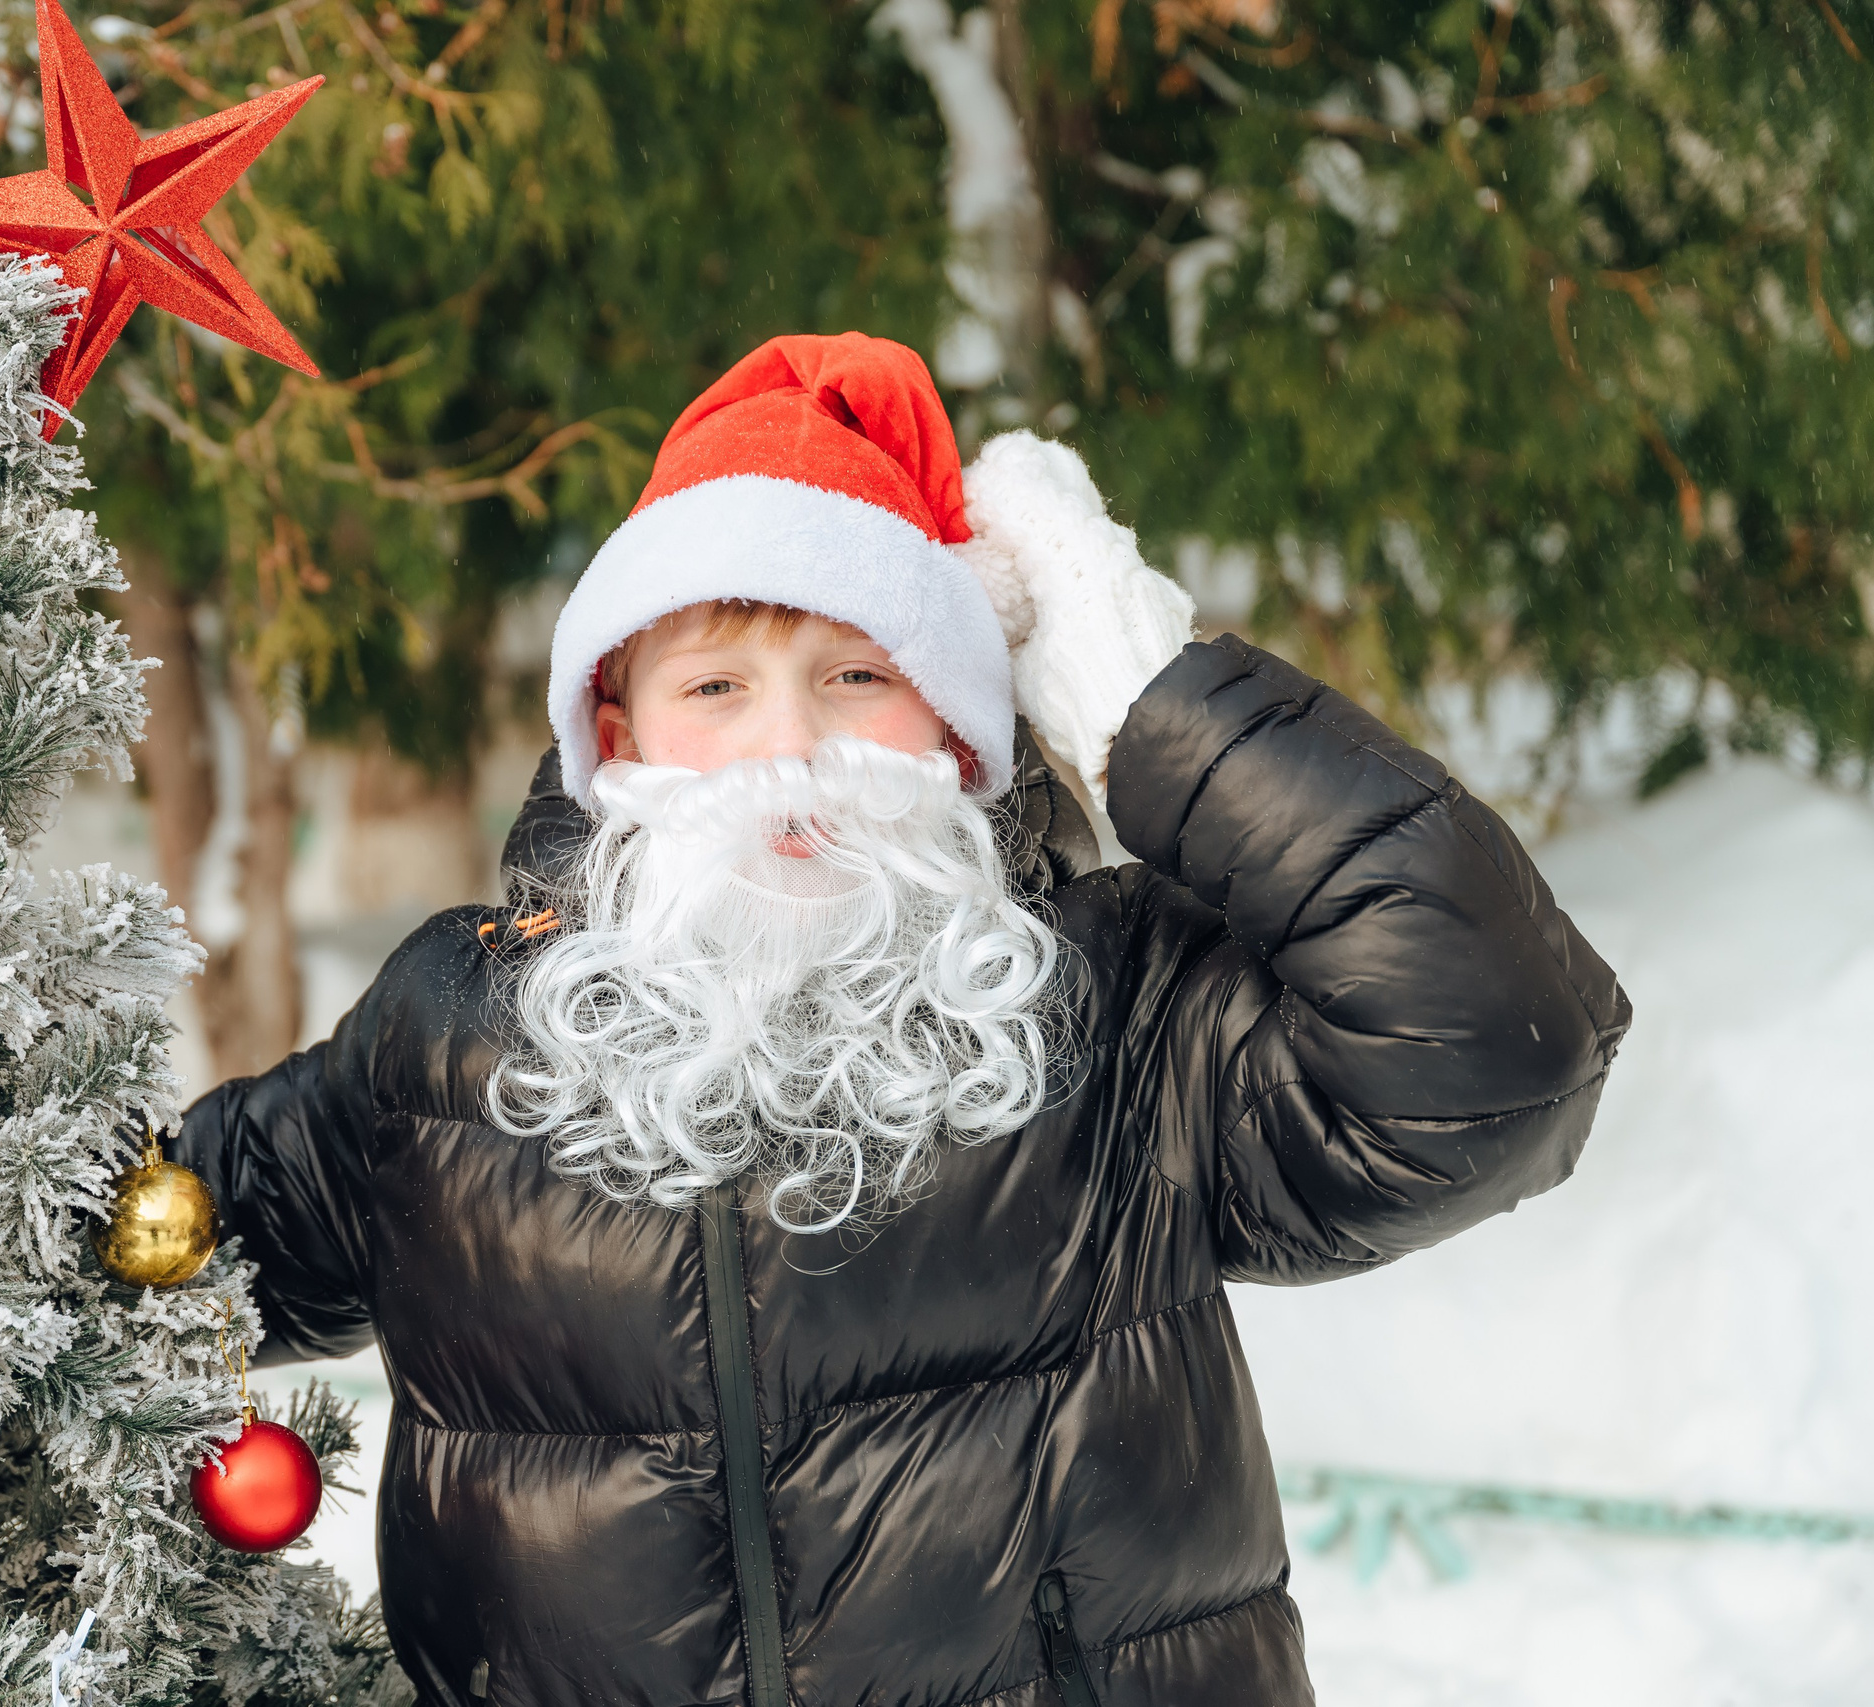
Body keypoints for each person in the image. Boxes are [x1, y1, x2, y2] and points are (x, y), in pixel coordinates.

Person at [172, 334, 1629, 1706]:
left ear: (956, 727)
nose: (790, 750)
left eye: (858, 677)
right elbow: (140, 1242)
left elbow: (1494, 1053)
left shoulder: (1119, 1015)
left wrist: (1146, 701)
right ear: (617, 739)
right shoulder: (453, 1039)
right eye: (717, 686)